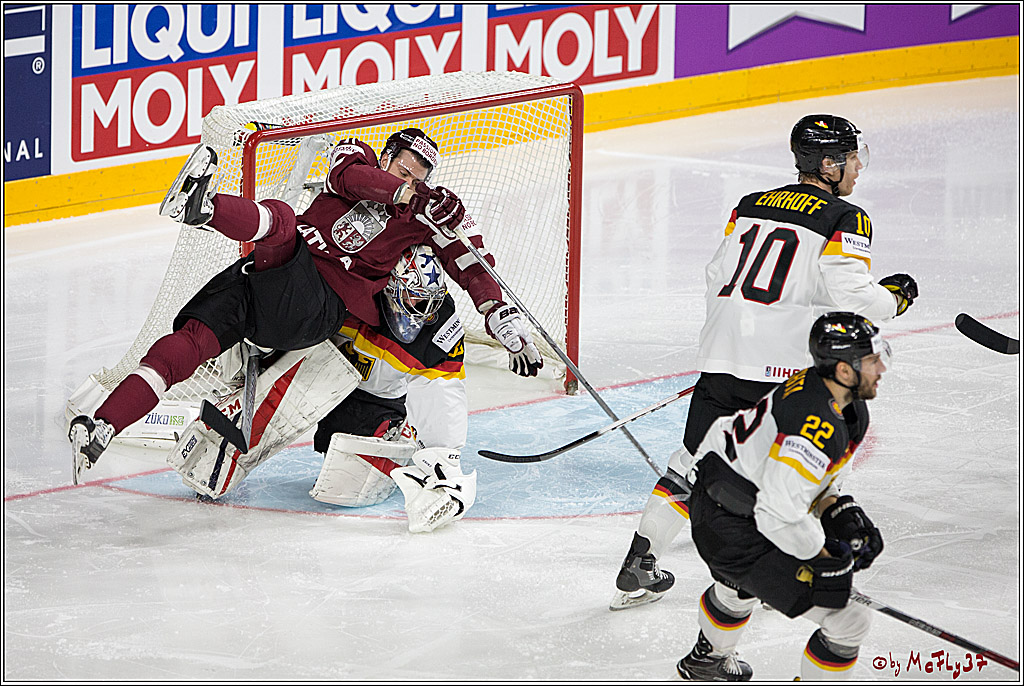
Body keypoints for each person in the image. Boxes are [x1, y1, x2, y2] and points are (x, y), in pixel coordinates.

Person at [69, 128, 542, 484]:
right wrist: (401, 193)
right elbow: (347, 175)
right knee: (186, 343)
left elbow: (470, 260)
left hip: (316, 307)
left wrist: (498, 311)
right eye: (405, 170)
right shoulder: (357, 160)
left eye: (421, 178)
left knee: (281, 225)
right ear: (387, 158)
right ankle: (103, 427)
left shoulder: (424, 216)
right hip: (269, 281)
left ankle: (204, 209)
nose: (412, 181)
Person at [611, 114, 919, 610]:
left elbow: (719, 272)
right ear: (828, 163)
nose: (859, 166)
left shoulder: (750, 204)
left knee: (691, 462)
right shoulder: (847, 216)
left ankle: (641, 559)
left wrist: (734, 342)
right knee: (803, 468)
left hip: (722, 353)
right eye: (852, 157)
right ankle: (813, 570)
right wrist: (893, 299)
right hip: (780, 371)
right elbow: (849, 293)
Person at [168, 244, 478, 533]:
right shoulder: (346, 281)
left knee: (348, 489)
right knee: (206, 469)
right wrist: (260, 335)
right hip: (308, 369)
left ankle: (398, 433)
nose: (423, 311)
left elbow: (443, 390)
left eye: (429, 301)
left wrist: (445, 459)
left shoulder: (437, 332)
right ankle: (226, 427)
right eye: (414, 298)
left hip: (372, 400)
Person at [676, 311, 888, 681]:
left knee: (737, 585)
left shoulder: (833, 398)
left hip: (724, 497)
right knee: (849, 619)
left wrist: (836, 507)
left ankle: (706, 661)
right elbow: (776, 512)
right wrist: (822, 559)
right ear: (843, 371)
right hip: (734, 523)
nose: (881, 367)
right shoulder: (816, 425)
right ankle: (709, 656)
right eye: (871, 360)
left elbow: (804, 480)